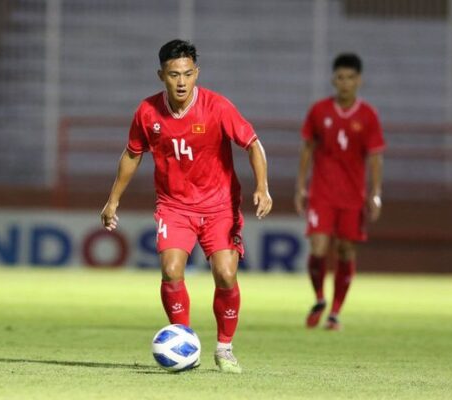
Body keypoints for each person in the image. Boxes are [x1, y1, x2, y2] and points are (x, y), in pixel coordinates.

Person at [100, 39, 272, 373]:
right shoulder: (147, 112)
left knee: (224, 273)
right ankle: (185, 343)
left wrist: (263, 188)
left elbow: (252, 143)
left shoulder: (217, 107)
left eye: (188, 74)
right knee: (171, 269)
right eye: (174, 74)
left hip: (219, 206)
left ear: (197, 74)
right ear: (160, 75)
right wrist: (113, 199)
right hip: (174, 206)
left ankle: (224, 349)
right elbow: (133, 154)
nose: (181, 81)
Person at [295, 53, 385, 331]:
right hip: (322, 192)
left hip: (352, 196)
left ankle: (335, 313)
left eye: (350, 78)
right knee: (319, 246)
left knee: (346, 250)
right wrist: (301, 186)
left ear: (359, 80)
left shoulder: (368, 115)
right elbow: (307, 149)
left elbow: (375, 157)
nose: (344, 83)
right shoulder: (319, 111)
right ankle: (320, 298)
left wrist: (376, 193)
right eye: (340, 78)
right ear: (334, 79)